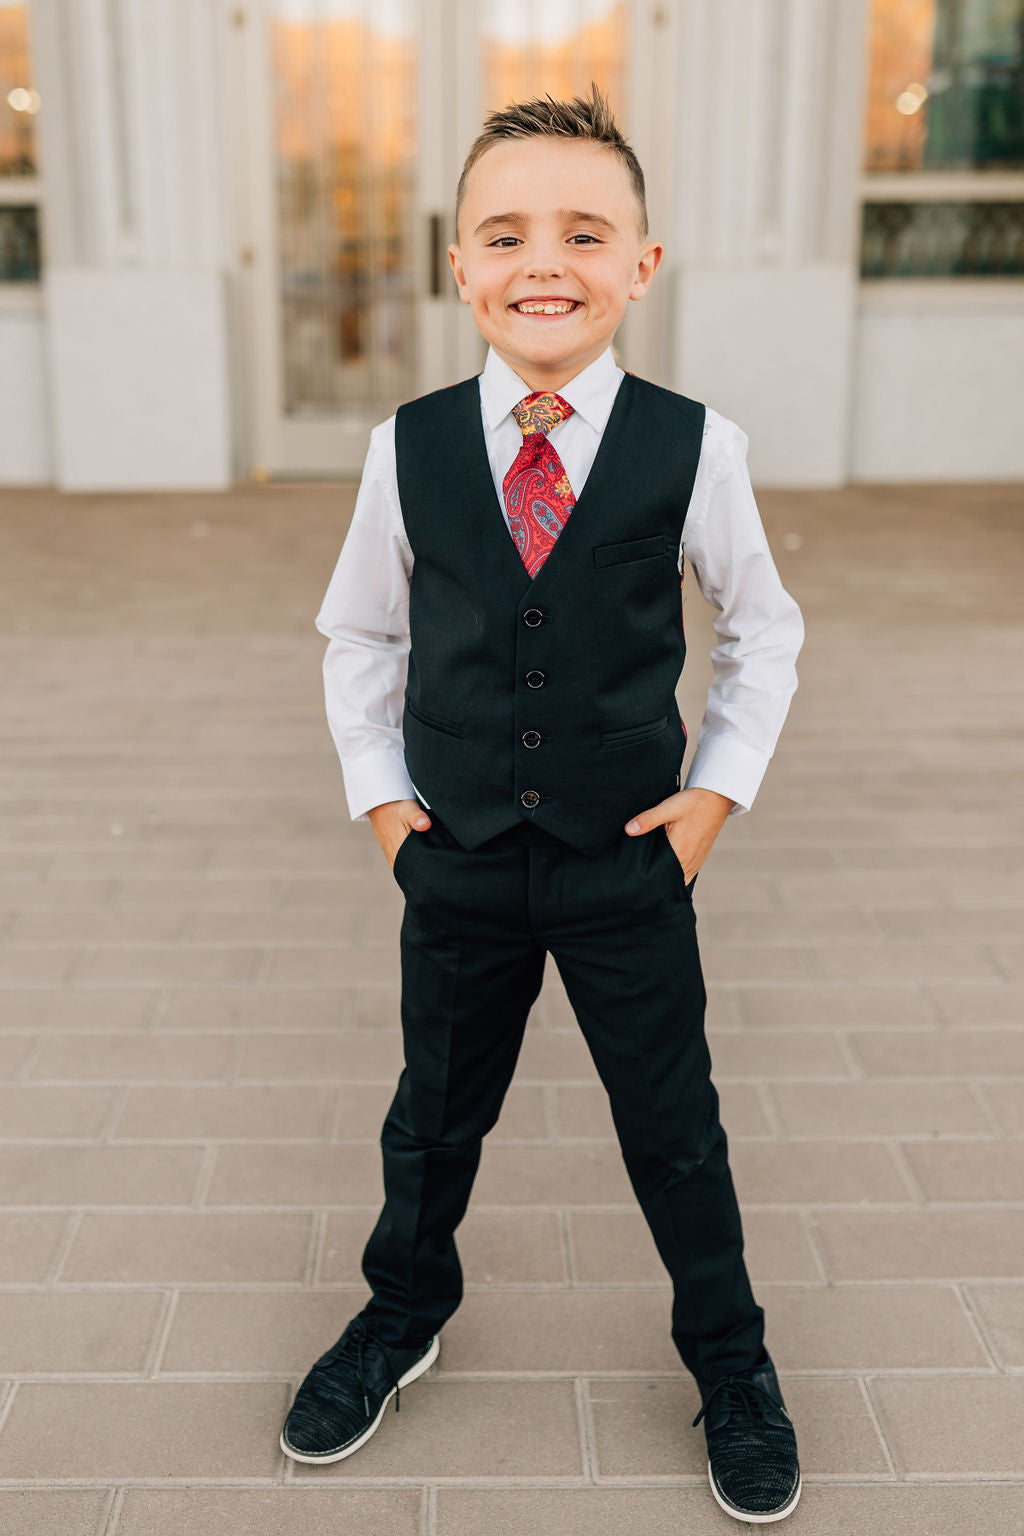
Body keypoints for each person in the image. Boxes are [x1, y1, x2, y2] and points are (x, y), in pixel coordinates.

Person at [281, 82, 805, 1525]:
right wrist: (384, 808)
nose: (544, 264)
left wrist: (714, 797)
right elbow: (360, 634)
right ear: (459, 265)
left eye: (584, 233)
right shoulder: (407, 445)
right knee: (431, 1119)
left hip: (627, 860)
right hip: (454, 854)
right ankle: (402, 1313)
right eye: (505, 235)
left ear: (642, 263)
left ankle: (733, 1362)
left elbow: (763, 631)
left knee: (674, 1128)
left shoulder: (696, 445)